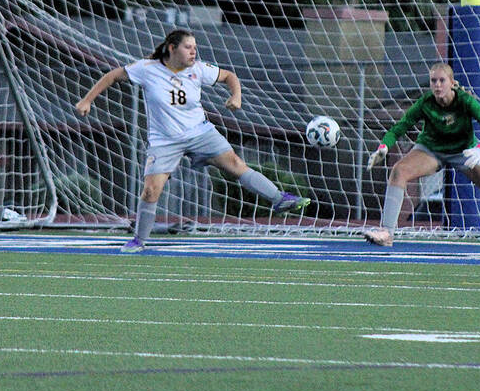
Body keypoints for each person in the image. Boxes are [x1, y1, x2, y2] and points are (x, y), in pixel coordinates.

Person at [76, 29, 309, 253]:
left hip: (200, 134)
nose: (193, 52)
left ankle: (280, 199)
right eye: (188, 47)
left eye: (195, 48)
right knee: (150, 191)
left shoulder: (198, 69)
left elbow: (229, 76)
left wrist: (235, 95)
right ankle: (139, 240)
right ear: (172, 48)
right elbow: (113, 75)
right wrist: (87, 100)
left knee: (236, 164)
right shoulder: (147, 69)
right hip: (164, 141)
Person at [364, 62, 480, 250]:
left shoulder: (465, 101)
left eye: (442, 80)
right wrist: (384, 147)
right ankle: (387, 233)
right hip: (430, 151)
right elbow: (399, 128)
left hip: (465, 153)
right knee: (399, 171)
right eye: (433, 81)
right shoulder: (425, 103)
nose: (437, 85)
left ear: (452, 83)